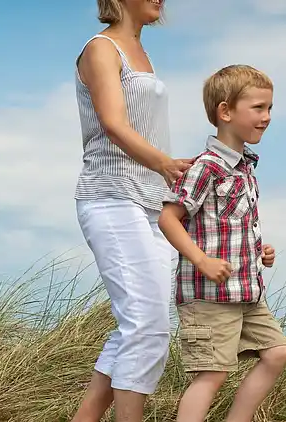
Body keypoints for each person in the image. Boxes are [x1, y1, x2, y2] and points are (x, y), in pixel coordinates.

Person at [71, 1, 193, 421]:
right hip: (111, 196)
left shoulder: (142, 52)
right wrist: (163, 162)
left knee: (141, 326)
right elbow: (113, 122)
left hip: (151, 202)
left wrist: (169, 177)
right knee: (147, 326)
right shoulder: (101, 48)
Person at [158, 64, 286, 422]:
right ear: (225, 111)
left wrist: (260, 251)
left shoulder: (245, 168)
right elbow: (168, 219)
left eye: (269, 108)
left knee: (277, 352)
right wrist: (202, 260)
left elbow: (233, 226)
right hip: (209, 295)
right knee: (212, 374)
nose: (266, 117)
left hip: (247, 291)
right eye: (258, 108)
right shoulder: (207, 167)